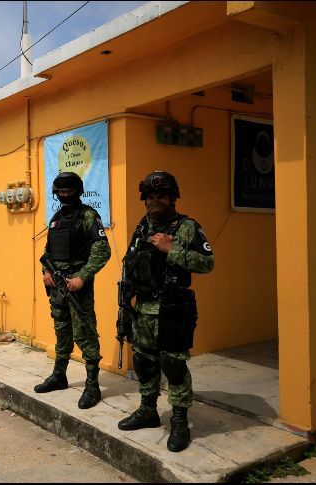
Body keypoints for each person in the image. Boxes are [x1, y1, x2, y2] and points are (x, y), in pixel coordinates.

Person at [116, 171, 214, 452]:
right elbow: (130, 265)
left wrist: (172, 250)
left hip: (173, 307)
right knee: (144, 362)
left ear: (172, 198)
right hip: (144, 309)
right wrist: (125, 305)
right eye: (150, 196)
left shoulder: (187, 227)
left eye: (161, 195)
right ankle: (148, 411)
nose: (155, 200)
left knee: (173, 365)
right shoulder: (142, 228)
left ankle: (180, 421)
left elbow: (207, 263)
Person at [34, 171, 111, 409]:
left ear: (78, 191)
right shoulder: (56, 219)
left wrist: (82, 277)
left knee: (85, 334)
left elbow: (102, 251)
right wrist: (46, 273)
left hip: (77, 288)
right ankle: (59, 376)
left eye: (69, 191)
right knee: (62, 331)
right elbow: (47, 253)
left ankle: (92, 385)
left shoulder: (88, 216)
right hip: (57, 287)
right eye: (61, 192)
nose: (65, 195)